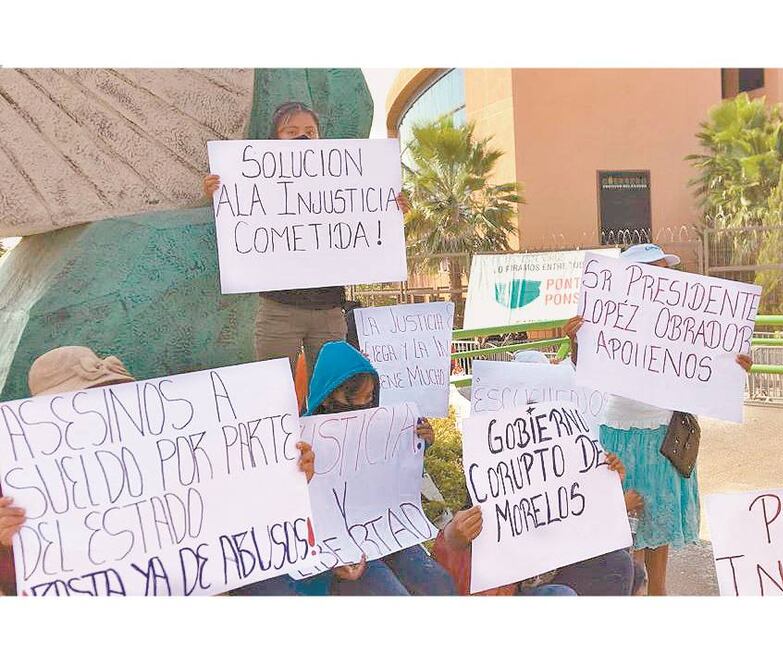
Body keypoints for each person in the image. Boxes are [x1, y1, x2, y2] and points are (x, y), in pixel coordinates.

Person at [0, 346, 315, 597]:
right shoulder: (21, 487)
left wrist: (288, 477)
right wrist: (8, 543)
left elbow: (238, 509)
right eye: (79, 405)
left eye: (106, 397)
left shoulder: (171, 452)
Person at [564, 243, 753, 596]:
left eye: (667, 270)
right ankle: (631, 591)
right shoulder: (610, 315)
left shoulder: (681, 318)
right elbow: (587, 367)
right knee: (626, 522)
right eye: (659, 270)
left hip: (665, 433)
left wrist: (734, 367)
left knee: (658, 521)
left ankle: (658, 593)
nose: (667, 278)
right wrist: (577, 339)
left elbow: (708, 360)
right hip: (619, 429)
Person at [202, 102, 409, 382]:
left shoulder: (344, 183)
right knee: (274, 391)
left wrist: (390, 208)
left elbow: (367, 226)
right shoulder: (254, 184)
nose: (302, 137)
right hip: (279, 311)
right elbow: (237, 226)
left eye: (310, 132)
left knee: (330, 392)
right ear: (274, 139)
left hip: (329, 312)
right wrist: (217, 194)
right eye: (291, 131)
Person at [285, 340, 456, 596]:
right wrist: (333, 558)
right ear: (328, 396)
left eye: (368, 398)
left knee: (440, 583)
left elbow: (397, 471)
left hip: (384, 532)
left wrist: (420, 443)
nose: (362, 407)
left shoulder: (380, 428)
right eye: (352, 400)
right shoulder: (302, 441)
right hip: (335, 551)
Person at [430, 452, 636, 596]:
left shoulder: (560, 468)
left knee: (619, 563)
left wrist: (605, 482)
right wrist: (454, 534)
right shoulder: (491, 472)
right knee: (562, 596)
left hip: (547, 571)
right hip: (506, 588)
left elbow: (582, 525)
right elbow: (457, 537)